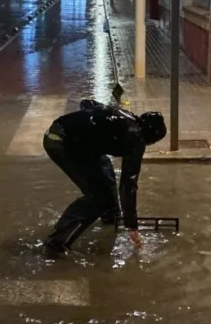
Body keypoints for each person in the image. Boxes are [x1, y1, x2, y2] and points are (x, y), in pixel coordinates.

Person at [42, 99, 167, 255]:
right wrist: (132, 225)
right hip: (62, 143)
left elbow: (88, 103)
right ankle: (55, 244)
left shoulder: (127, 117)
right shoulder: (136, 138)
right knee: (97, 198)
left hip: (71, 138)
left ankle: (110, 214)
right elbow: (128, 184)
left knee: (105, 166)